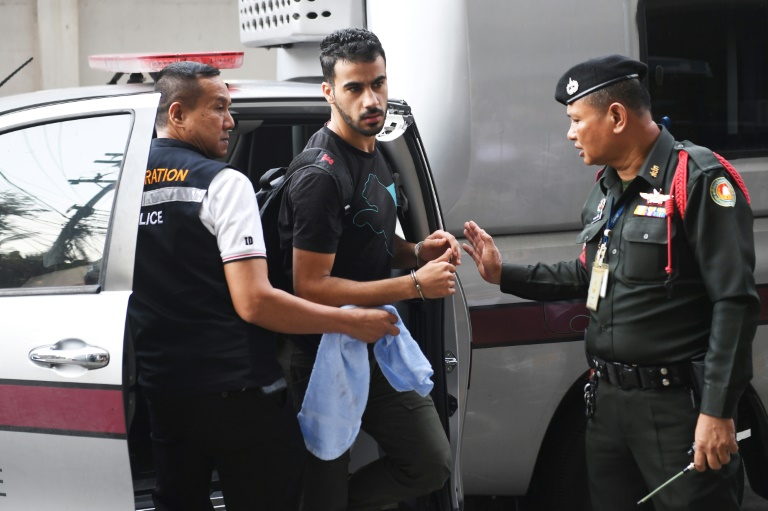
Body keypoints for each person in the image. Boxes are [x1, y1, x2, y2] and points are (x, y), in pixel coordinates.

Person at [462, 54, 758, 511]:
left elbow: (734, 303)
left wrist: (717, 411)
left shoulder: (696, 179)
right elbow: (589, 274)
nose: (570, 133)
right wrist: (503, 274)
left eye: (577, 119)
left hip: (677, 408)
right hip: (607, 404)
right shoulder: (606, 189)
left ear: (617, 117)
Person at [128, 61, 400, 511]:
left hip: (164, 391)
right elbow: (255, 302)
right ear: (177, 114)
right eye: (219, 108)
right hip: (236, 393)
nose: (230, 121)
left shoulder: (124, 181)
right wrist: (349, 322)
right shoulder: (223, 184)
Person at [277, 28, 456, 511]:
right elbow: (310, 286)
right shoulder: (320, 175)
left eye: (378, 83)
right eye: (355, 88)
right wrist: (414, 286)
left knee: (430, 462)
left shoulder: (373, 151)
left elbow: (370, 235)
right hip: (319, 352)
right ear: (328, 92)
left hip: (375, 341)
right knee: (324, 488)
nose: (372, 99)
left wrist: (416, 252)